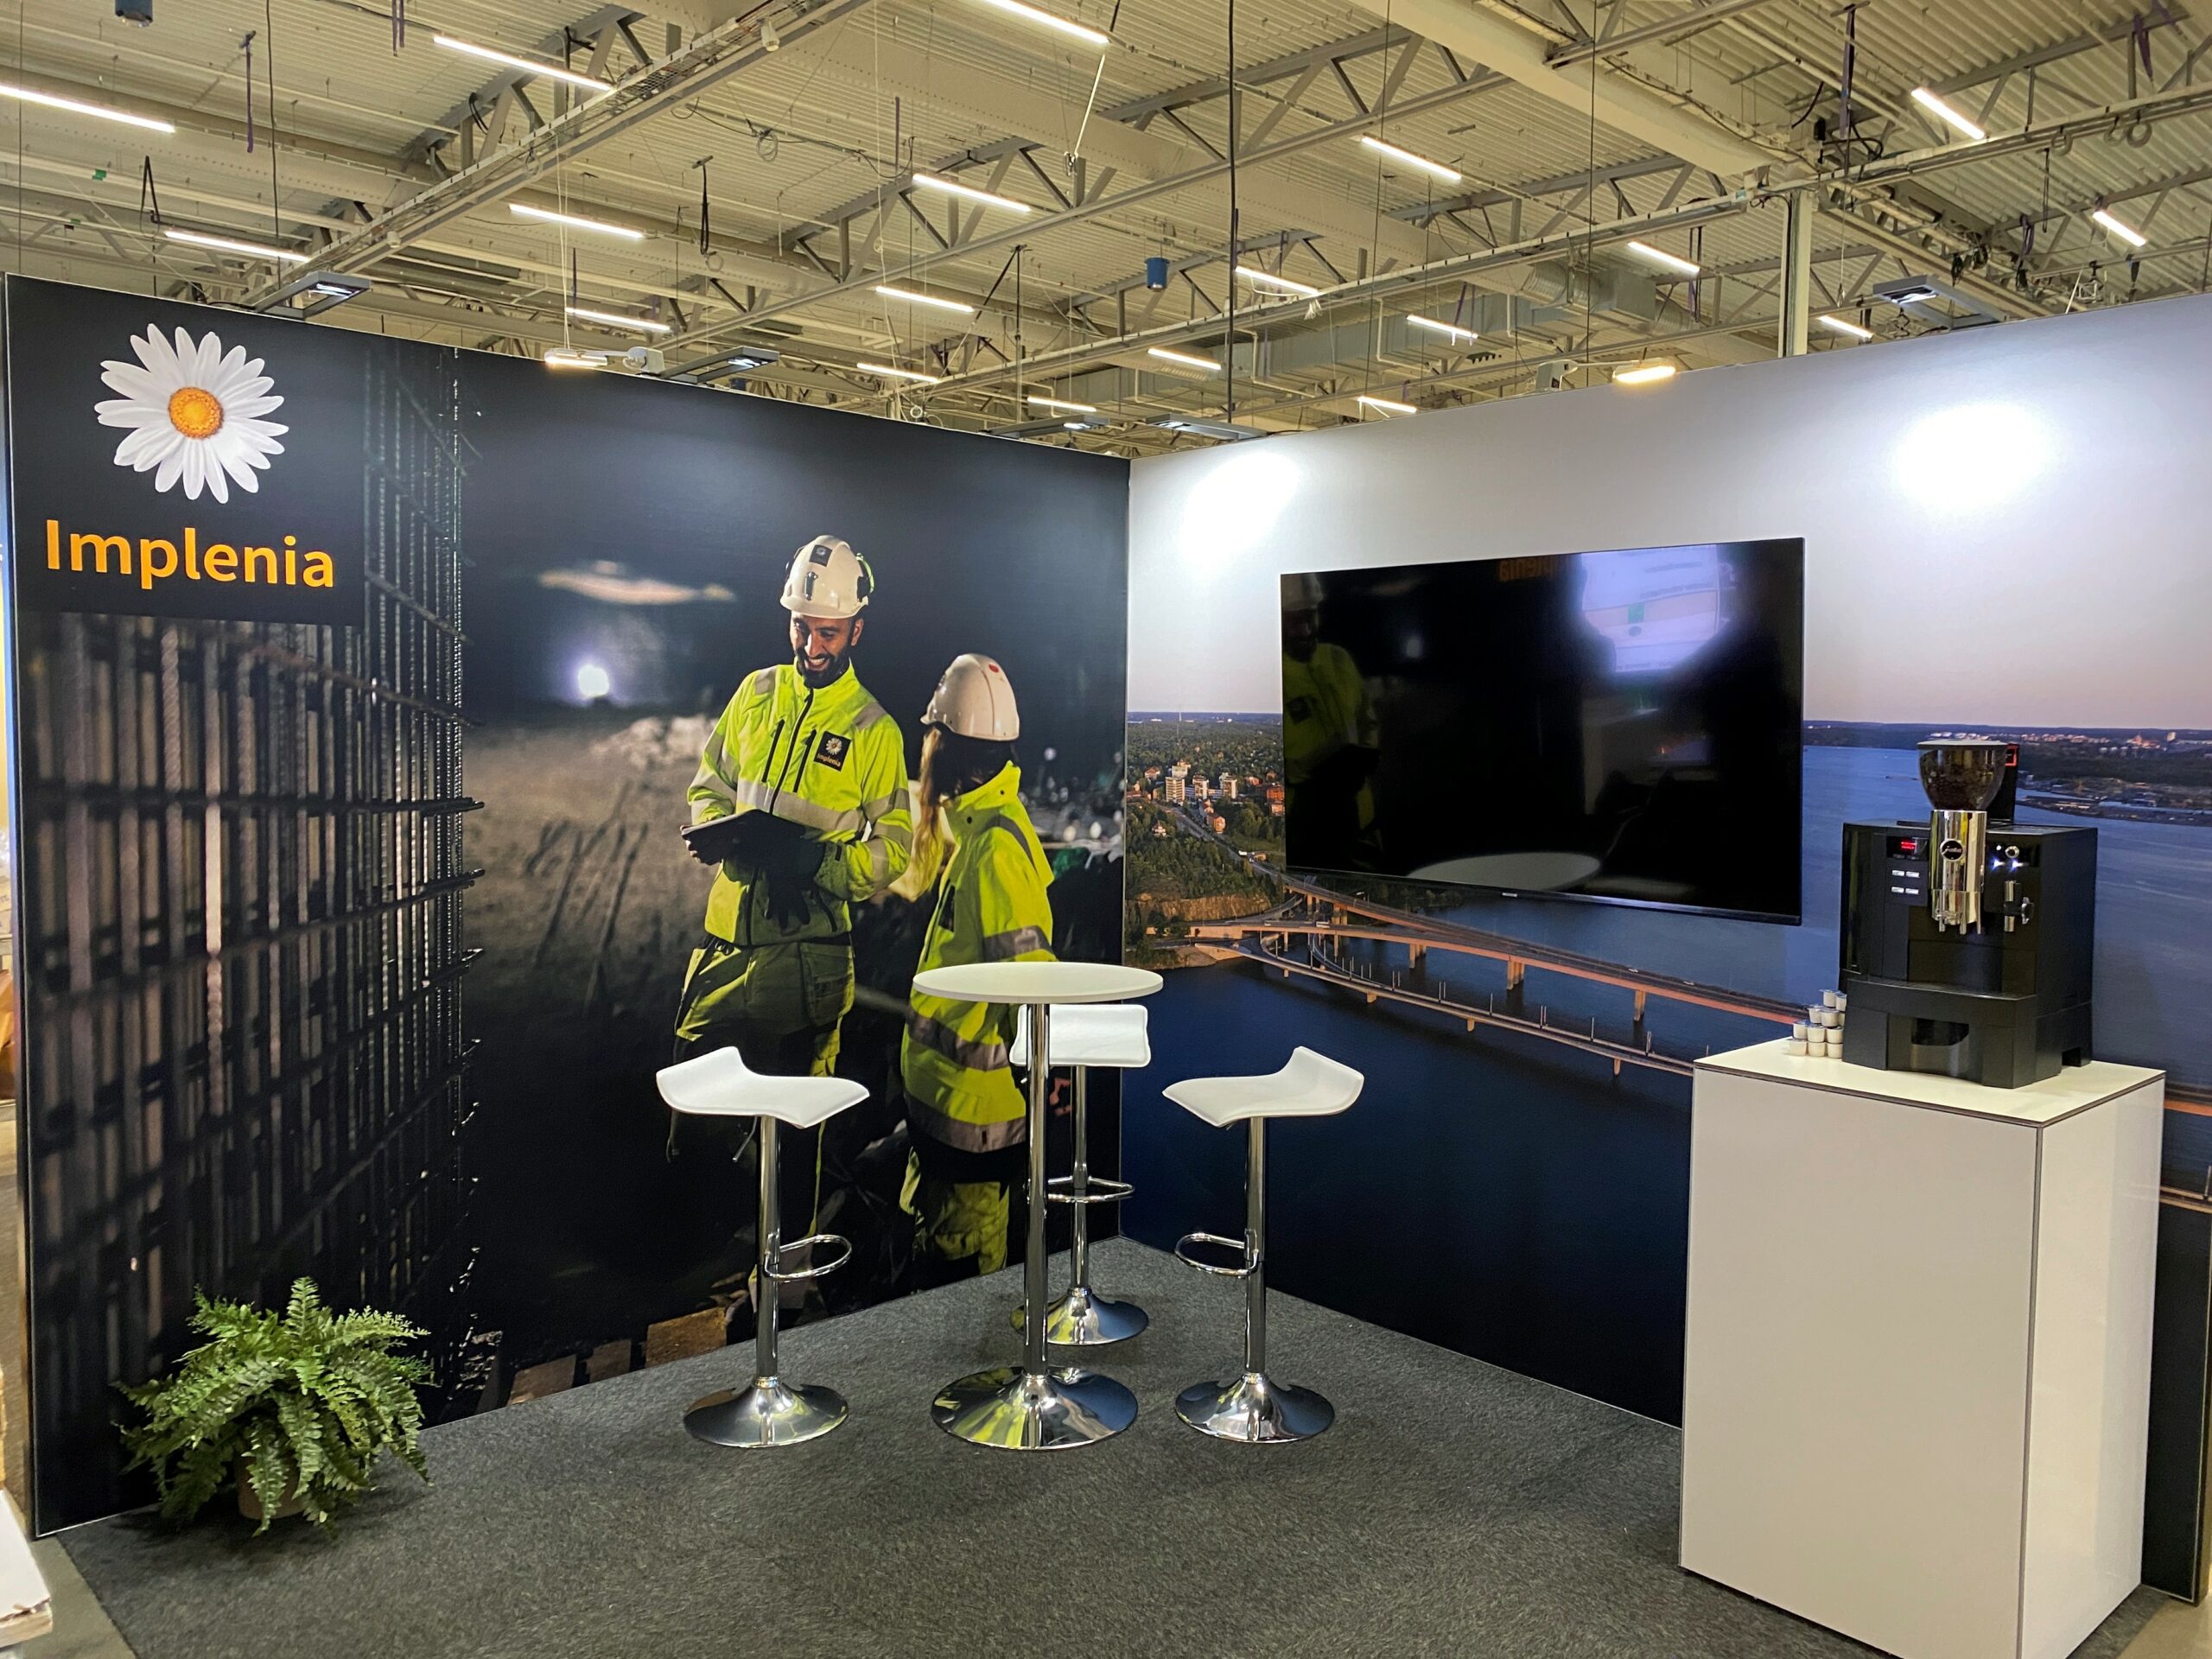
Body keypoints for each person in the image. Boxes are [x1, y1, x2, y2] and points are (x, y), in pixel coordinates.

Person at [671, 536, 913, 1234]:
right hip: (727, 943)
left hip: (808, 957)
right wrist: (716, 828)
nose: (811, 644)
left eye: (827, 631)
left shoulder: (873, 731)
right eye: (801, 626)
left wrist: (820, 867)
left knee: (796, 1134)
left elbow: (894, 846)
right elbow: (710, 783)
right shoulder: (756, 693)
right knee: (691, 1097)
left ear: (856, 630)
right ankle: (720, 1240)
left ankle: (786, 1270)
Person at [897, 653, 1053, 1287]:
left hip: (972, 1127)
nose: (924, 753)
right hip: (949, 1117)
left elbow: (1032, 991)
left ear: (950, 748)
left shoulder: (994, 851)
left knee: (960, 1288)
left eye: (931, 738)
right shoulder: (978, 833)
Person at [1281, 572, 1381, 870]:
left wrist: (1364, 754)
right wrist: (1315, 769)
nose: (1305, 630)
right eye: (1294, 621)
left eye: (1309, 617)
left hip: (1360, 819)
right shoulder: (1275, 675)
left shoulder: (1338, 660)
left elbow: (1367, 721)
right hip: (1308, 829)